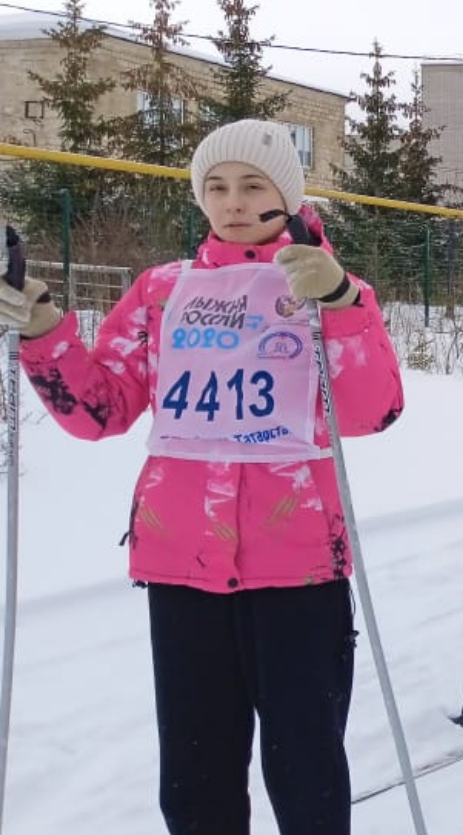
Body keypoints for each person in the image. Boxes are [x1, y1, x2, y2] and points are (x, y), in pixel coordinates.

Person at [0, 119, 404, 834]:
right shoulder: (163, 290)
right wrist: (42, 332)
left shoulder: (325, 289)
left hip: (299, 566)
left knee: (305, 769)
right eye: (216, 187)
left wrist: (341, 303)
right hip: (180, 560)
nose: (233, 201)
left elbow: (374, 412)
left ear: (286, 195)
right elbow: (100, 408)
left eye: (253, 186)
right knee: (196, 777)